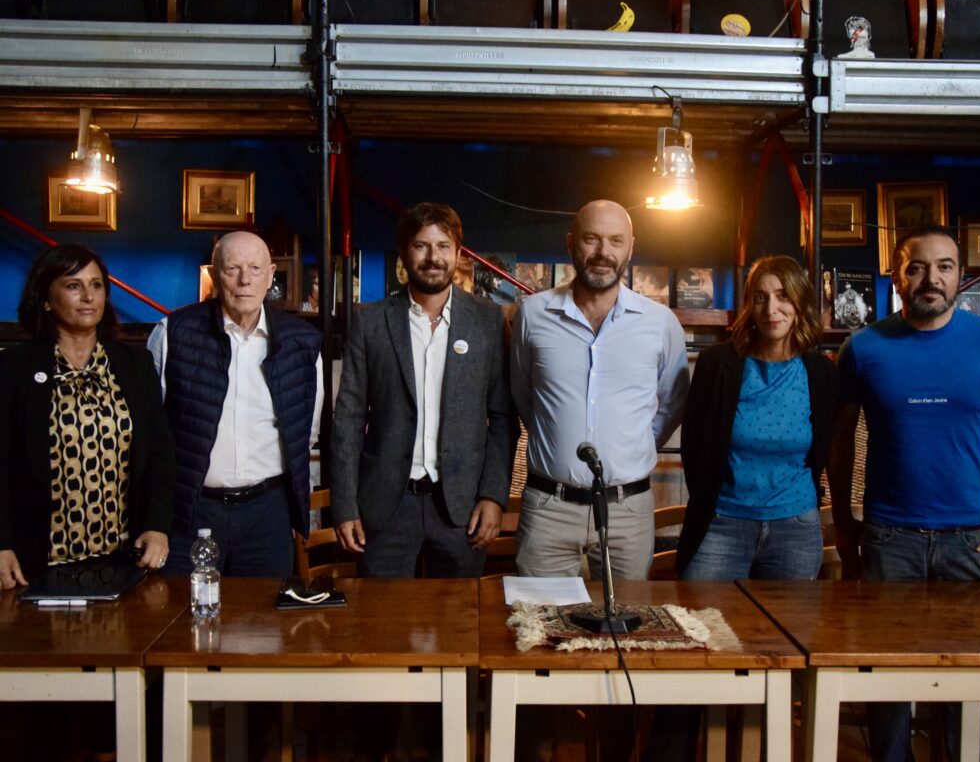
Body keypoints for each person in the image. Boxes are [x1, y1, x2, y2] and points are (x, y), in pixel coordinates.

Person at [830, 225, 980, 762]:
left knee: (973, 679)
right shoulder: (862, 348)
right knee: (887, 679)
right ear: (897, 276)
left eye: (944, 266)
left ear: (960, 276)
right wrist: (844, 519)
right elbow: (840, 438)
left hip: (972, 540)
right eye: (916, 267)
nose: (930, 278)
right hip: (889, 538)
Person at [330, 202, 516, 577]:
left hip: (463, 506)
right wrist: (345, 505)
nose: (433, 258)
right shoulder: (370, 323)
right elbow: (348, 420)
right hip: (385, 505)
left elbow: (503, 417)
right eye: (421, 246)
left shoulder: (487, 321)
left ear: (458, 254)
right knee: (382, 610)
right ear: (404, 253)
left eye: (443, 246)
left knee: (459, 611)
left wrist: (493, 496)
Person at [511, 199, 689, 580]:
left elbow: (672, 404)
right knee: (539, 614)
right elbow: (524, 395)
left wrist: (632, 445)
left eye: (615, 240)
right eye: (591, 239)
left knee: (627, 614)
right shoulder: (532, 314)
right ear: (571, 243)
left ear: (631, 248)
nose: (603, 252)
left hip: (628, 509)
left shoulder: (660, 323)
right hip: (549, 508)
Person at [148, 231, 324, 578]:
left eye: (255, 269)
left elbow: (307, 433)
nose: (245, 280)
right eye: (232, 269)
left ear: (271, 276)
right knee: (186, 608)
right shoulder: (172, 334)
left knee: (263, 612)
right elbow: (151, 434)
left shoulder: (302, 342)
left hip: (268, 514)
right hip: (192, 511)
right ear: (215, 275)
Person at [0, 243, 173, 589]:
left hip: (124, 559)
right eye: (73, 285)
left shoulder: (135, 365)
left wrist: (158, 526)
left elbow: (159, 453)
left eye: (96, 285)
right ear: (45, 298)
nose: (88, 296)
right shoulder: (13, 368)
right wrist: (1, 543)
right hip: (36, 564)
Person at [677, 255, 837, 581]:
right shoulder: (716, 364)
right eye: (760, 297)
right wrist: (712, 502)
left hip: (795, 528)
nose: (771, 309)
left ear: (800, 302)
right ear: (750, 304)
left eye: (783, 296)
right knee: (700, 613)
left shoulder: (822, 372)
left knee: (789, 617)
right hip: (721, 523)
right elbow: (692, 446)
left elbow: (824, 449)